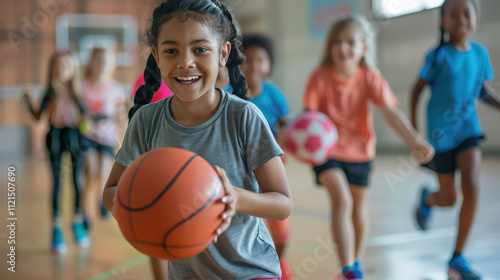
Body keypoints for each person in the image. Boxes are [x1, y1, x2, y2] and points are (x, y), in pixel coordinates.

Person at [102, 1, 292, 279]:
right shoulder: (145, 121)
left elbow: (282, 204)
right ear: (156, 55)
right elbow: (111, 193)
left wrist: (233, 198)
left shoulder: (243, 117)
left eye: (200, 49)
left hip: (251, 271)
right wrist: (144, 207)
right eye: (170, 50)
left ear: (223, 53)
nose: (185, 61)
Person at [302, 17, 434, 280]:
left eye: (351, 42)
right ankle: (347, 266)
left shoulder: (370, 78)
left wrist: (413, 140)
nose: (343, 48)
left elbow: (390, 112)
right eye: (337, 42)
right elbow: (309, 116)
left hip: (360, 152)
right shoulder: (320, 77)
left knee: (359, 208)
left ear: (364, 48)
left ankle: (355, 265)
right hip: (328, 153)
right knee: (341, 198)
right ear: (330, 47)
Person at [411, 0, 500, 278]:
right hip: (440, 137)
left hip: (468, 131)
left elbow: (482, 91)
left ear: (475, 18)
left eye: (466, 13)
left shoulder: (480, 54)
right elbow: (416, 91)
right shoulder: (437, 56)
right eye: (453, 15)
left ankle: (457, 258)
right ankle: (428, 200)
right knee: (449, 198)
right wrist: (414, 132)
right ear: (442, 21)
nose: (460, 19)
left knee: (472, 187)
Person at [23, 52, 90, 253]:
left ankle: (77, 221)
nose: (61, 70)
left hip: (75, 136)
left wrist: (88, 122)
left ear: (72, 70)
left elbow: (85, 117)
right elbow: (37, 117)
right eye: (57, 66)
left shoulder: (77, 93)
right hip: (55, 137)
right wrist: (27, 100)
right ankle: (56, 226)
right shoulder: (49, 93)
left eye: (65, 66)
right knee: (57, 182)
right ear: (52, 69)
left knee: (76, 181)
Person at [241, 33, 293, 280]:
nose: (253, 65)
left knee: (281, 234)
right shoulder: (230, 95)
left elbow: (287, 128)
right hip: (241, 173)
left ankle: (279, 261)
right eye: (246, 59)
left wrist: (288, 129)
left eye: (260, 60)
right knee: (247, 229)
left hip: (271, 168)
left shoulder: (274, 95)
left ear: (268, 64)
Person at [80, 47, 125, 231]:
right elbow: (77, 112)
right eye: (98, 61)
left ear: (111, 65)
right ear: (92, 63)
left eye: (106, 62)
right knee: (91, 175)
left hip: (107, 138)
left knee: (103, 176)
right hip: (87, 137)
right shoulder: (82, 86)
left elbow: (119, 117)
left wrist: (120, 139)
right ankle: (85, 214)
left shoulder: (117, 89)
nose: (102, 65)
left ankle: (100, 199)